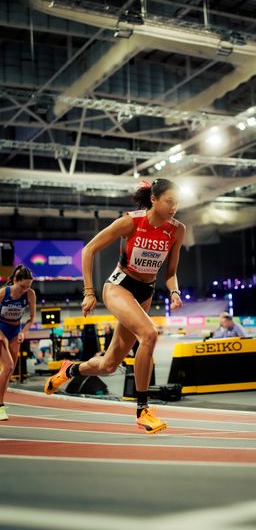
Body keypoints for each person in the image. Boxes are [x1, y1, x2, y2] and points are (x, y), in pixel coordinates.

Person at [44, 178, 185, 434]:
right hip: (119, 286)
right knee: (149, 334)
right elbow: (88, 250)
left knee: (109, 365)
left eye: (177, 202)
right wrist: (89, 292)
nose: (174, 207)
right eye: (170, 201)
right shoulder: (131, 221)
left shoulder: (177, 230)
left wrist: (174, 290)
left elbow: (171, 272)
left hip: (146, 292)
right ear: (154, 199)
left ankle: (70, 369)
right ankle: (143, 410)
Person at [0, 265, 36, 421]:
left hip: (15, 331)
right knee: (7, 366)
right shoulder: (3, 293)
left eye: (28, 286)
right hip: (1, 329)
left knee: (9, 371)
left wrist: (24, 331)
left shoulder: (30, 294)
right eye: (22, 286)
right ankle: (0, 407)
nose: (24, 290)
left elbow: (31, 318)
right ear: (15, 280)